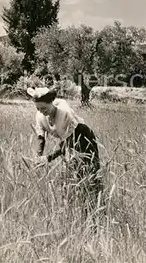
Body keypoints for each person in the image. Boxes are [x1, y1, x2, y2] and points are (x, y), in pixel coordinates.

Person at [23, 86, 103, 218]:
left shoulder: (64, 113)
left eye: (44, 108)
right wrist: (38, 156)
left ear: (51, 103)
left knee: (89, 175)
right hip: (67, 143)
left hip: (83, 138)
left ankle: (95, 209)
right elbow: (41, 138)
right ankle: (78, 211)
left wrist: (48, 158)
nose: (41, 112)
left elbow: (67, 144)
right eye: (38, 108)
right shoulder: (40, 115)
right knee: (73, 176)